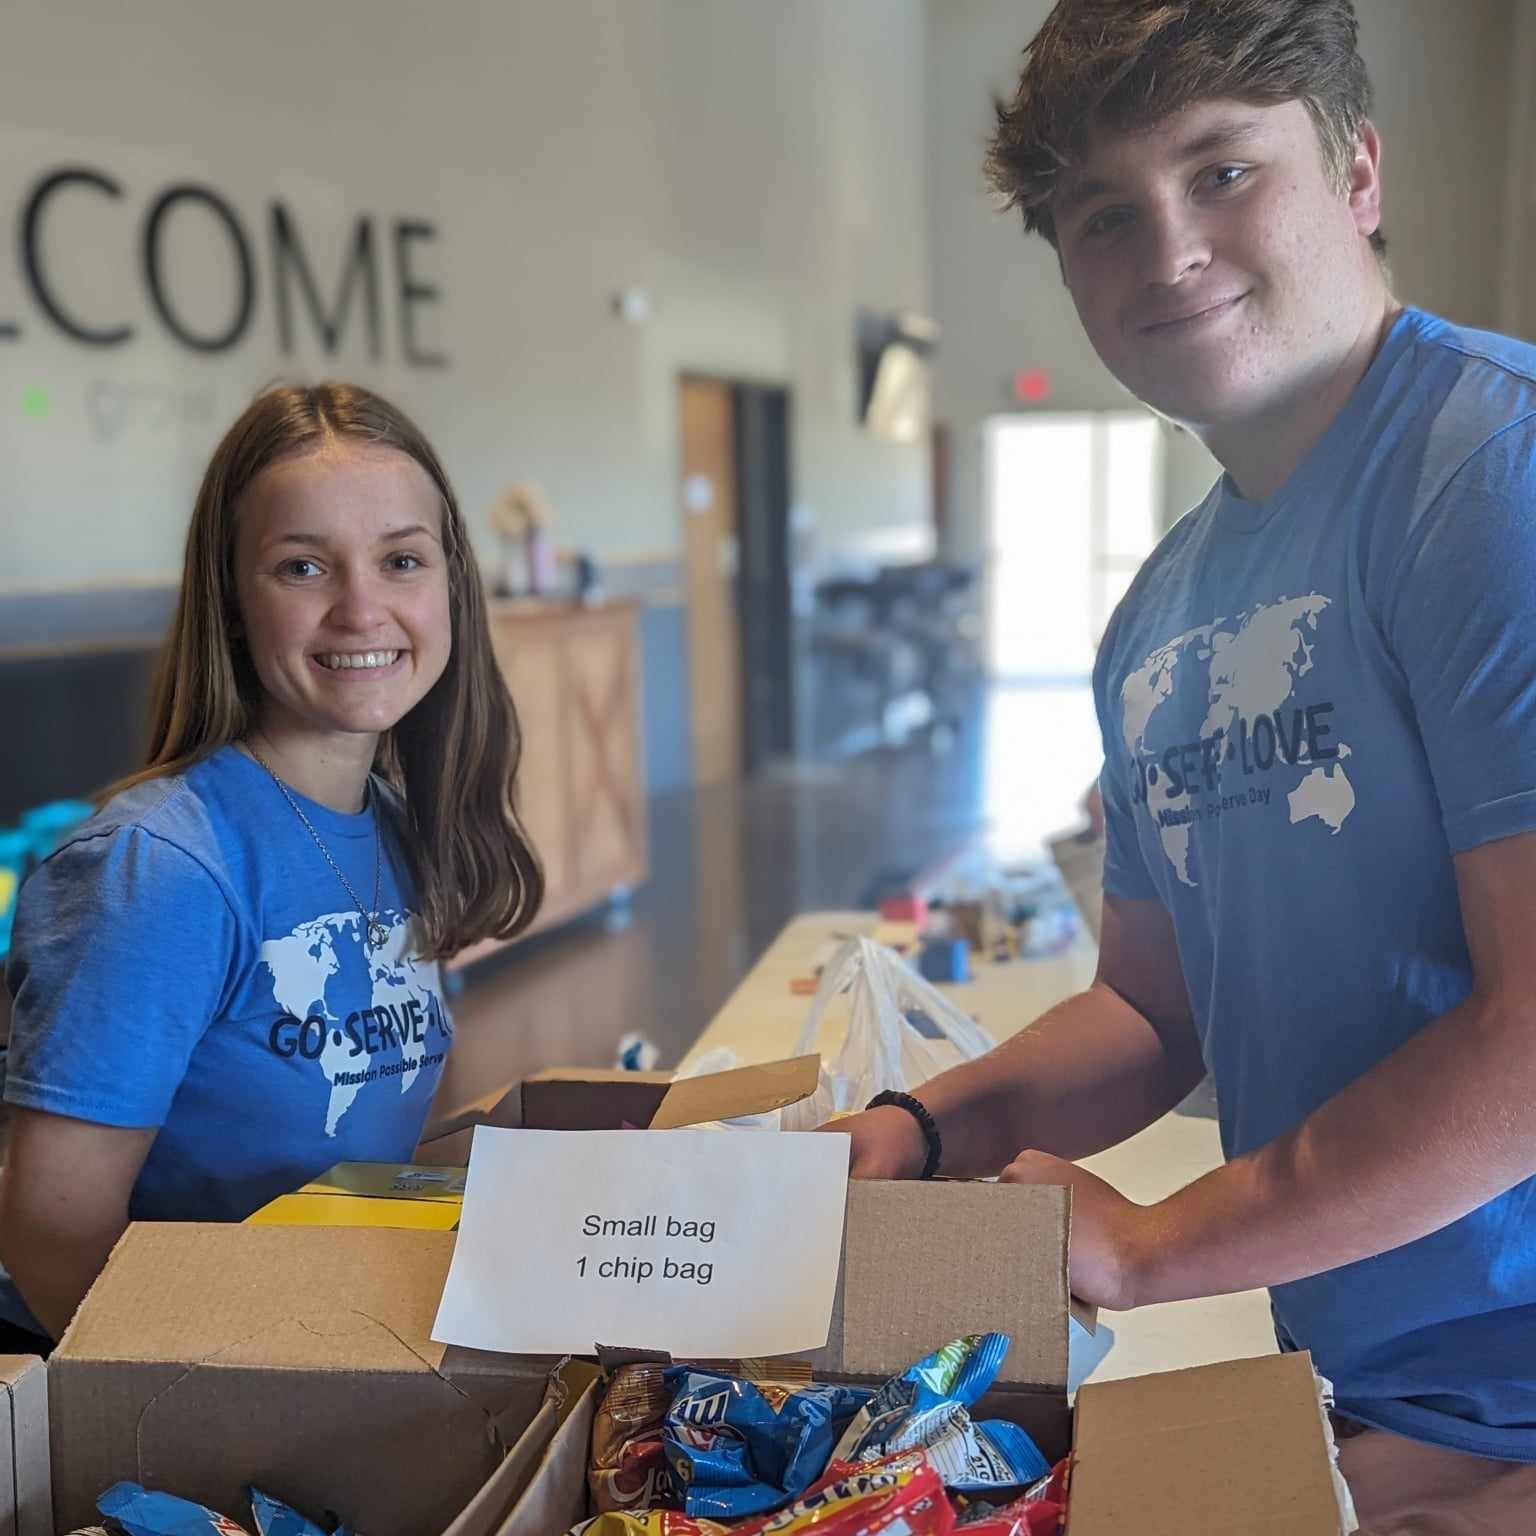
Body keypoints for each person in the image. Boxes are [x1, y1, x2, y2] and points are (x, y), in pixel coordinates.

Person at [829, 1, 1536, 1526]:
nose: (1169, 253)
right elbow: (1151, 1010)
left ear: (1357, 170)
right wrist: (934, 1125)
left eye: (1221, 172)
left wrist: (1152, 1248)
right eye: (1103, 215)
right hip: (1381, 1378)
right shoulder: (1160, 615)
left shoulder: (1494, 472)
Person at [0, 382, 542, 1348]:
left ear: (449, 586)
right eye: (303, 567)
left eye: (402, 560)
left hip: (326, 1333)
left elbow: (345, 1156)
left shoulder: (389, 826)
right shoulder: (159, 870)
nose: (361, 609)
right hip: (186, 1395)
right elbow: (51, 1233)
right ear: (234, 604)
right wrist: (210, 1409)